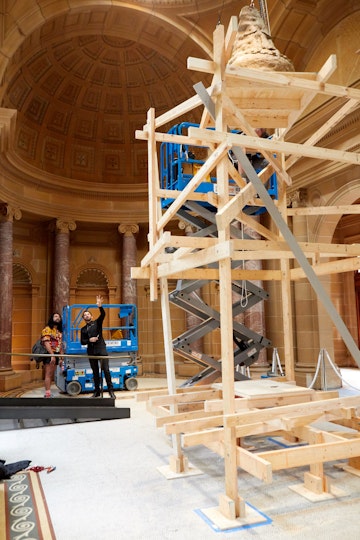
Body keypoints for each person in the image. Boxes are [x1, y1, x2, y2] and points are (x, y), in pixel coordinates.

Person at [80, 295, 115, 398]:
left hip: (101, 349)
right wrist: (89, 340)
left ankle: (110, 390)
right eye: (84, 315)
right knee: (95, 372)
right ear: (83, 318)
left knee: (106, 369)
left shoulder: (97, 323)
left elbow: (103, 314)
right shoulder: (83, 329)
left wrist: (100, 306)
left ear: (91, 316)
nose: (86, 316)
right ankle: (97, 391)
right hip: (91, 351)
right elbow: (82, 341)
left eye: (88, 314)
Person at [41, 312, 64, 398]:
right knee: (48, 373)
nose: (57, 318)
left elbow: (60, 345)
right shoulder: (47, 329)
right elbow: (46, 343)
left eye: (59, 317)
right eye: (55, 316)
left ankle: (49, 392)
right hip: (49, 354)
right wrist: (52, 355)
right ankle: (47, 393)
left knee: (52, 374)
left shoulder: (59, 331)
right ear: (52, 318)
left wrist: (61, 357)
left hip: (57, 353)